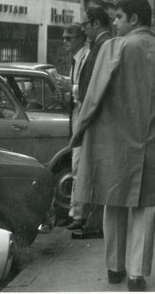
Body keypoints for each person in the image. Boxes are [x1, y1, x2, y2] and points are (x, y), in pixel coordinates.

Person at [70, 0, 155, 292]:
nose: (116, 23)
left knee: (113, 201)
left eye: (119, 17)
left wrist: (79, 132)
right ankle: (137, 274)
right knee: (146, 208)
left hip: (115, 141)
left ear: (134, 19)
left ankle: (115, 268)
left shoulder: (115, 47)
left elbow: (93, 97)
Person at [70, 6, 112, 240]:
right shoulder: (99, 45)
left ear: (96, 23)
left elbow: (97, 87)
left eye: (85, 24)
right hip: (95, 117)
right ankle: (93, 221)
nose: (83, 29)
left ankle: (96, 224)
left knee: (96, 171)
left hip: (96, 118)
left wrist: (86, 119)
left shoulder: (103, 45)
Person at [63, 23, 89, 229]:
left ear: (80, 39)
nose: (65, 41)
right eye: (63, 38)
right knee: (75, 164)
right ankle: (74, 212)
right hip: (76, 115)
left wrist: (69, 88)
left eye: (69, 38)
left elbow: (85, 88)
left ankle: (79, 214)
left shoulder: (85, 57)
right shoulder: (75, 59)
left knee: (78, 165)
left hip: (82, 115)